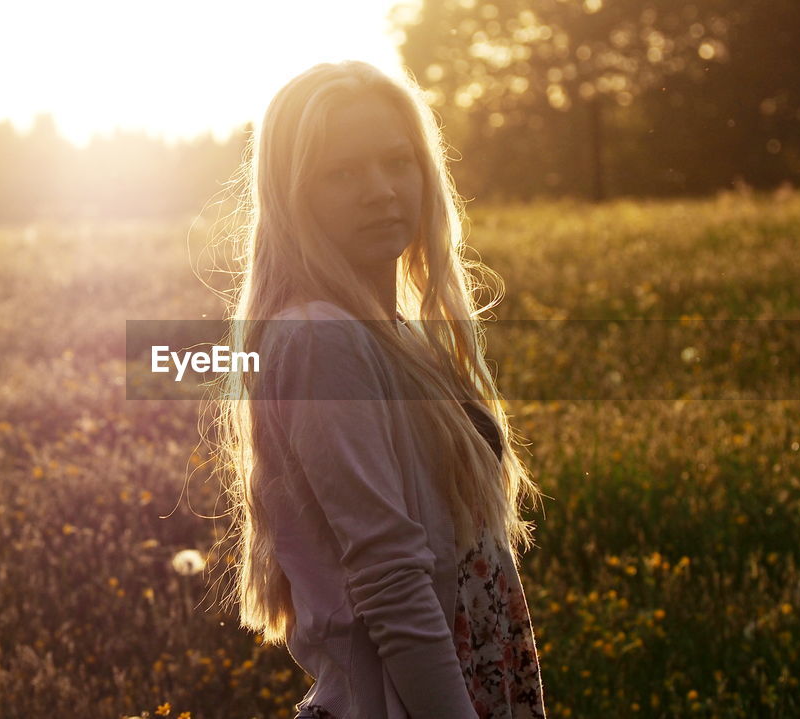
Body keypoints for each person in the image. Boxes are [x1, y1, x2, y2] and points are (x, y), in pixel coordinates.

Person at [212, 60, 548, 719]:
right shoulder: (321, 338)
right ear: (293, 194)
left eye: (398, 161)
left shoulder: (391, 331)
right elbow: (390, 576)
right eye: (341, 172)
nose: (381, 190)